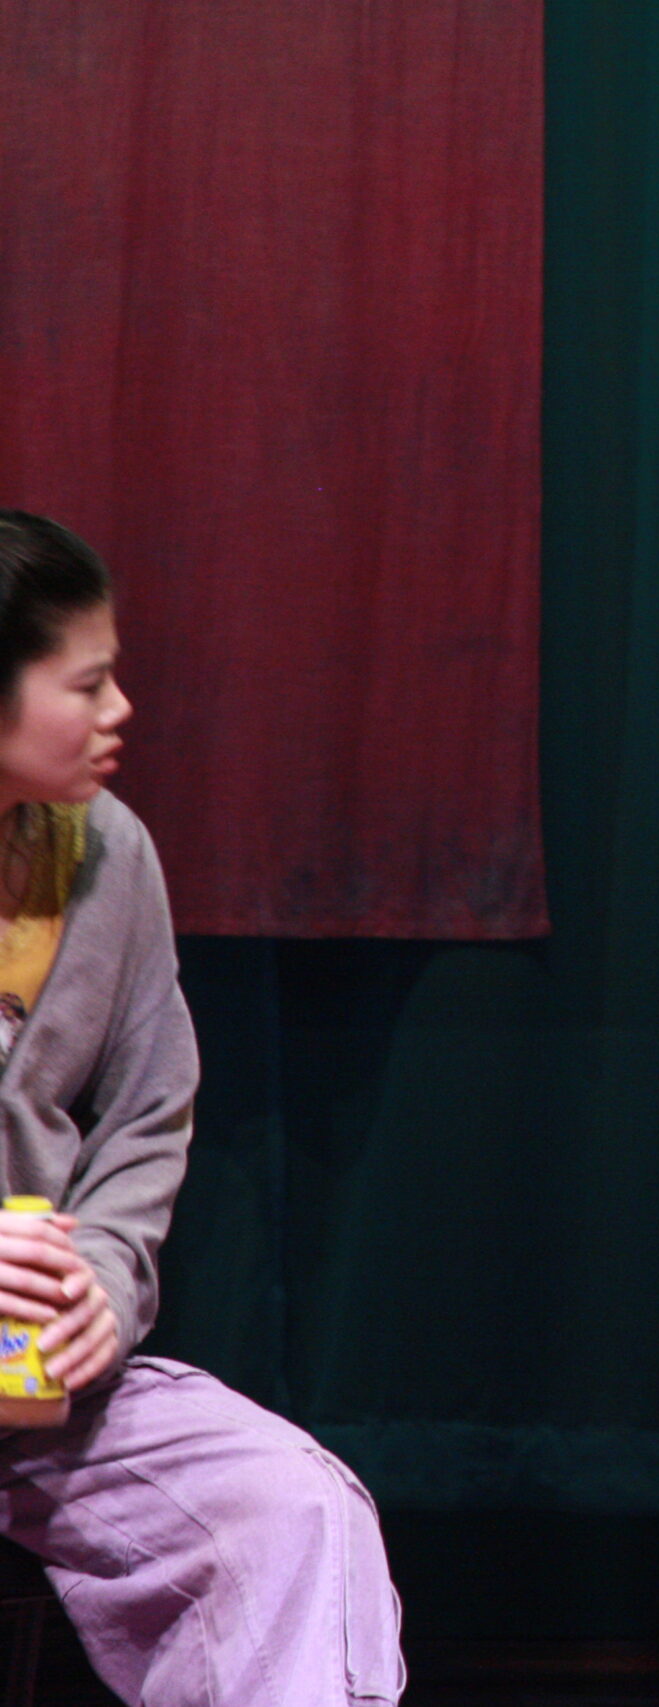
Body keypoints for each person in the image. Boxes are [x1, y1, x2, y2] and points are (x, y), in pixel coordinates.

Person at [0, 512, 404, 1705]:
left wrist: (102, 1290)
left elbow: (147, 1114)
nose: (120, 708)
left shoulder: (108, 854)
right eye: (87, 684)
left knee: (289, 1508)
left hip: (35, 1398)